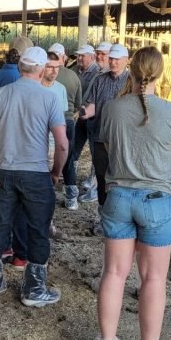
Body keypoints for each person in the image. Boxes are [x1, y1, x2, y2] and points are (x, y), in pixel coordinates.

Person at [93, 46, 171, 340]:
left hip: (119, 197)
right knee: (153, 279)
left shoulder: (112, 108)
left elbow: (109, 147)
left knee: (113, 273)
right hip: (158, 200)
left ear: (131, 71)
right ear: (160, 73)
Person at [0, 46, 68, 307]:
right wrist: (56, 172)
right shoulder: (49, 98)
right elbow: (62, 144)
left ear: (21, 67)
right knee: (38, 229)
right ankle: (34, 290)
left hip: (3, 172)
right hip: (36, 174)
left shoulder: (1, 94)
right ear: (41, 69)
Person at [80, 43, 131, 232]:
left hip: (123, 140)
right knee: (102, 178)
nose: (113, 62)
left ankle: (121, 219)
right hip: (101, 137)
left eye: (117, 59)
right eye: (112, 59)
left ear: (126, 60)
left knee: (121, 179)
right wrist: (84, 112)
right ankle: (104, 218)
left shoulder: (133, 82)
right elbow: (93, 105)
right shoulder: (100, 80)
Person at [46, 44, 84, 209]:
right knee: (68, 157)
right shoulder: (73, 75)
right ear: (64, 57)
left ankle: (47, 194)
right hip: (67, 121)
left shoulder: (43, 75)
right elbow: (78, 103)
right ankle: (71, 197)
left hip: (48, 124)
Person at [73, 45, 102, 203]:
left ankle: (92, 180)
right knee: (75, 144)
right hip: (79, 115)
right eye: (78, 56)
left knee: (94, 149)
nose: (79, 58)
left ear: (91, 57)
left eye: (82, 56)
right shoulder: (75, 70)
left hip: (91, 116)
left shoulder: (98, 73)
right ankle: (72, 174)